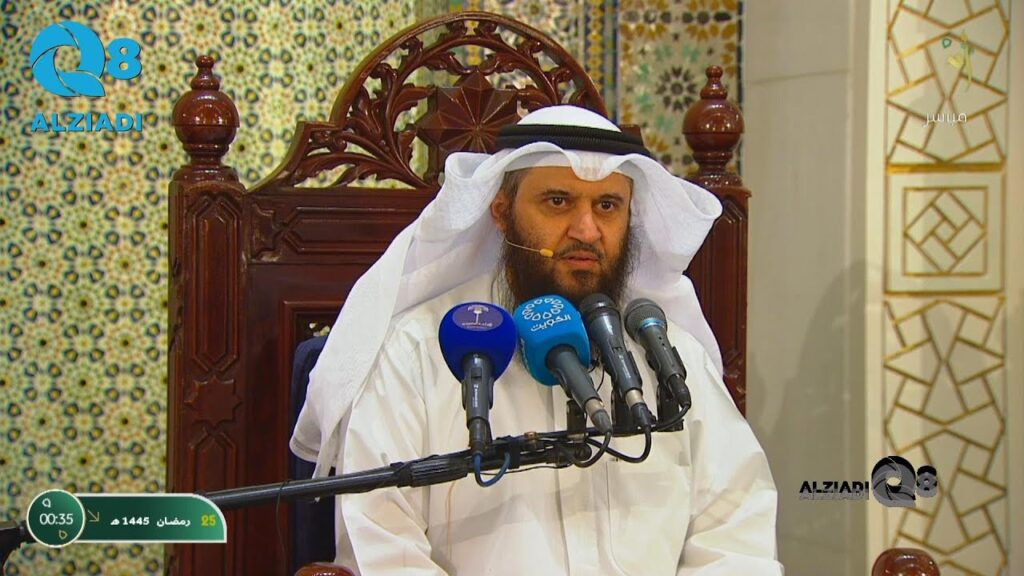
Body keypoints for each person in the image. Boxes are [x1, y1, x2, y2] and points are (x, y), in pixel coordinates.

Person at [291, 106, 782, 575]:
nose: (587, 230)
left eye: (607, 206)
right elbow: (382, 542)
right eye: (558, 201)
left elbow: (735, 528)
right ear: (502, 212)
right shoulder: (419, 351)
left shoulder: (665, 354)